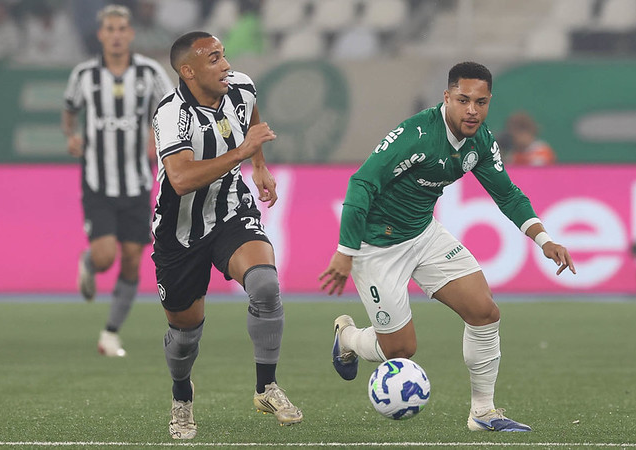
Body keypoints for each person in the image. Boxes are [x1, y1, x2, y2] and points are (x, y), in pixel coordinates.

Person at [319, 62, 576, 432]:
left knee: (484, 311)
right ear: (447, 97)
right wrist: (346, 251)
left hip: (423, 235)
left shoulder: (482, 141)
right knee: (400, 351)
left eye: (481, 102)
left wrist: (544, 238)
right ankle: (347, 337)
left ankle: (483, 412)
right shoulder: (417, 133)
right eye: (464, 100)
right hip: (375, 245)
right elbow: (362, 184)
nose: (473, 110)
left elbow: (507, 194)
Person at [151, 31, 302, 439]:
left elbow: (251, 117)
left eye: (224, 55)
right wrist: (242, 152)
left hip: (230, 211)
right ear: (188, 71)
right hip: (179, 232)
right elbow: (180, 179)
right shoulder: (172, 114)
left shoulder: (241, 88)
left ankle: (266, 387)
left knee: (266, 285)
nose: (226, 65)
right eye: (214, 59)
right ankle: (182, 396)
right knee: (185, 336)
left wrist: (259, 165)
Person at [62, 4, 173, 357]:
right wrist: (72, 136)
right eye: (109, 29)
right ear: (100, 35)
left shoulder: (149, 72)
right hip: (98, 181)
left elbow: (170, 107)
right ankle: (89, 261)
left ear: (130, 34)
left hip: (138, 182)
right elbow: (69, 110)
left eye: (121, 29)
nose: (115, 35)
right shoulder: (84, 75)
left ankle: (110, 334)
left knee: (130, 259)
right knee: (107, 256)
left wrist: (157, 136)